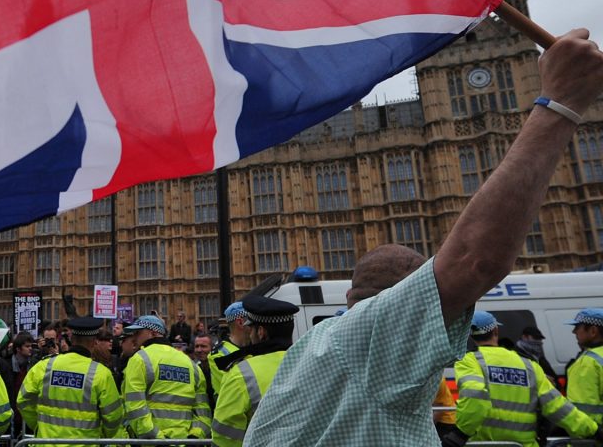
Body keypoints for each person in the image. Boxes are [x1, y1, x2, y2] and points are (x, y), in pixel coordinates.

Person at [243, 29, 603, 447]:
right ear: (406, 301)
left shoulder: (309, 352)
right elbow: (473, 261)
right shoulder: (372, 337)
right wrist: (560, 103)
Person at [448, 311, 600, 446]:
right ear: (495, 330)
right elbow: (557, 406)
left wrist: (460, 434)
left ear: (469, 334)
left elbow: (475, 396)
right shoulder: (528, 364)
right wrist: (593, 430)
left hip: (483, 444)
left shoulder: (469, 360)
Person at [211, 296, 299, 447]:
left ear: (261, 332)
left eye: (251, 329)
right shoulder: (310, 363)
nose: (250, 334)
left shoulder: (241, 374)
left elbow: (224, 434)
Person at [17, 316, 123, 442]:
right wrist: (101, 434)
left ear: (71, 339)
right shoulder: (101, 373)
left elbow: (23, 400)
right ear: (94, 342)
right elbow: (113, 416)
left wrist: (39, 425)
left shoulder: (45, 366)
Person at [122, 314, 210, 441]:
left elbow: (135, 407)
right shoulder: (191, 364)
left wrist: (156, 438)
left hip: (152, 442)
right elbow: (203, 411)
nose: (134, 338)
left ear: (152, 333)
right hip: (186, 441)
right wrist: (194, 437)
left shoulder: (139, 359)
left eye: (137, 333)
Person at [207, 301, 252, 407]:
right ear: (240, 322)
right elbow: (235, 389)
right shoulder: (218, 355)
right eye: (251, 322)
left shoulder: (255, 347)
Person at [567, 308, 603, 426]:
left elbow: (582, 411)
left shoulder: (588, 362)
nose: (574, 332)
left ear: (593, 331)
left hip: (593, 432)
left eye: (578, 327)